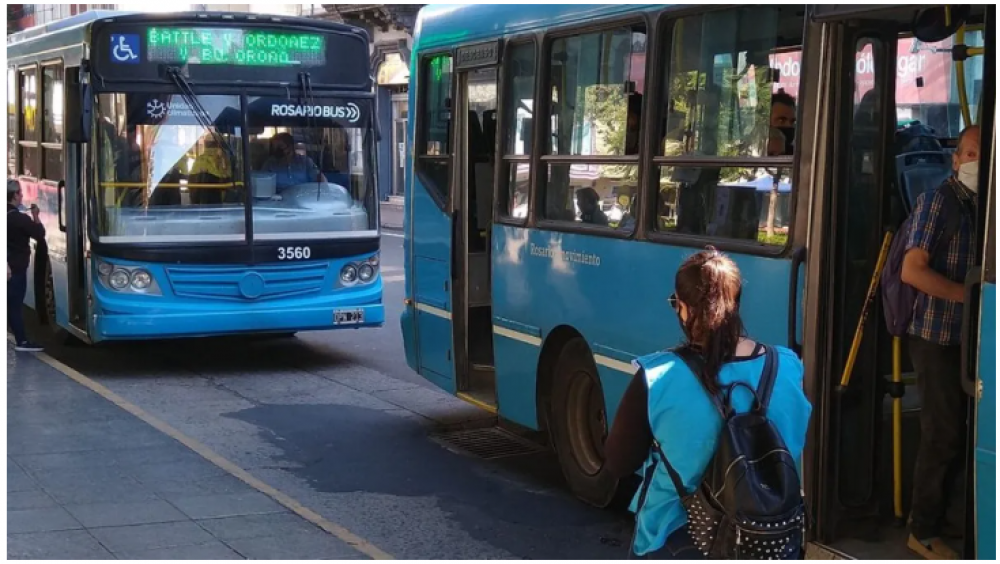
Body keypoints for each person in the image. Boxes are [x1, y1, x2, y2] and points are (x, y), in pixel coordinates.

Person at [605, 248, 812, 559]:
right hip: (769, 542)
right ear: (737, 304)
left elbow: (619, 462)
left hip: (677, 539)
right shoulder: (787, 365)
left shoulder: (658, 375)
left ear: (685, 309)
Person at [900, 124, 980, 560]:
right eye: (970, 154)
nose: (976, 164)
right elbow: (912, 271)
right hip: (937, 337)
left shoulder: (984, 206)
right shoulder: (938, 203)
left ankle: (956, 521)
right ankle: (922, 530)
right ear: (955, 158)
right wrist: (970, 297)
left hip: (974, 340)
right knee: (943, 435)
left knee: (968, 435)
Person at [7, 179, 45, 352]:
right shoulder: (19, 219)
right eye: (20, 193)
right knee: (15, 305)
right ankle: (22, 341)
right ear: (15, 195)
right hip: (15, 268)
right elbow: (39, 234)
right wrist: (36, 216)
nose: (22, 196)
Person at [259, 132, 326, 193]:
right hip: (279, 203)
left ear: (290, 146)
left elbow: (321, 179)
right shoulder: (269, 164)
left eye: (280, 147)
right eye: (274, 148)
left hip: (304, 199)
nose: (277, 151)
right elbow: (262, 186)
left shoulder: (306, 162)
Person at [770, 89, 796, 156]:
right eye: (781, 120)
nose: (788, 125)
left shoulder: (796, 157)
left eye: (792, 121)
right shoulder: (749, 153)